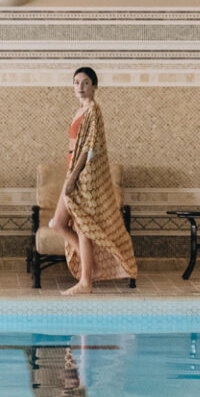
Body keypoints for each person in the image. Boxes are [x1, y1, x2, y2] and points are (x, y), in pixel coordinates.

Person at [49, 66, 138, 294]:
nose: (80, 86)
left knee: (82, 227)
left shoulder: (93, 111)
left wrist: (74, 178)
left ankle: (86, 281)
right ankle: (92, 269)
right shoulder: (79, 111)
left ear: (95, 86)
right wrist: (70, 175)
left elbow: (89, 149)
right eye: (77, 82)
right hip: (72, 172)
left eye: (86, 82)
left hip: (83, 177)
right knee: (58, 224)